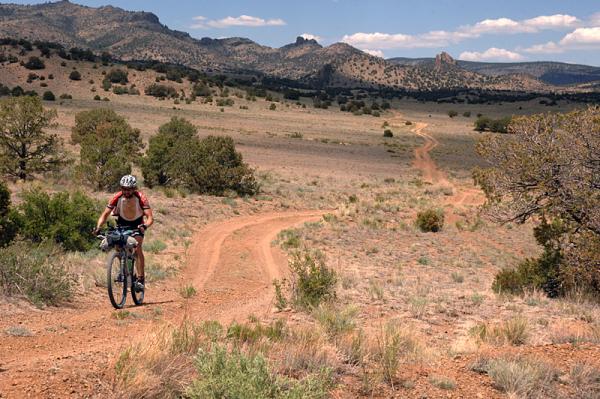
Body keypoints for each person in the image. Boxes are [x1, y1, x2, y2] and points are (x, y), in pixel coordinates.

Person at [94, 175, 154, 290]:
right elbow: (105, 214)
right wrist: (98, 227)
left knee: (137, 248)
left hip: (137, 225)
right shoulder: (117, 197)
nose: (126, 191)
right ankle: (125, 271)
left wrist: (145, 226)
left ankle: (140, 278)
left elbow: (150, 217)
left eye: (129, 189)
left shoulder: (141, 197)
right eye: (124, 188)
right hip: (122, 224)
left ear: (134, 188)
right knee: (118, 246)